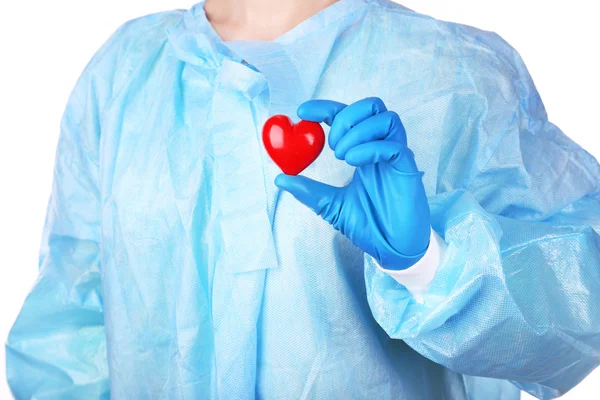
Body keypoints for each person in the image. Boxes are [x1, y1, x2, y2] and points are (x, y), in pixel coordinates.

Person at [6, 0, 600, 398]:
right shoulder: (124, 73)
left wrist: (426, 263)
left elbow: (579, 312)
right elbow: (71, 326)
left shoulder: (454, 72)